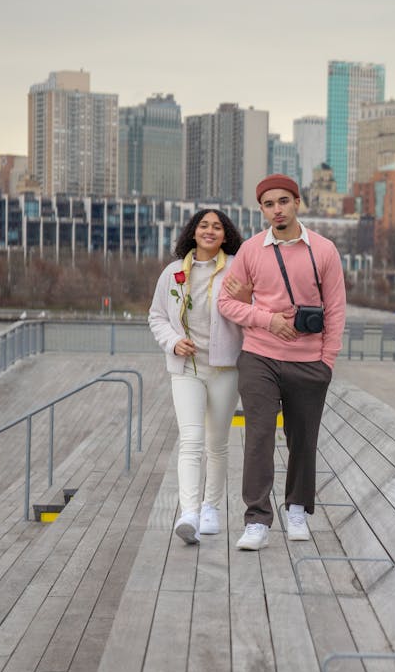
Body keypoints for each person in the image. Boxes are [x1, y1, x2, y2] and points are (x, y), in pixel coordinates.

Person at [218, 174, 346, 550]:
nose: (277, 210)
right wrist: (267, 319)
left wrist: (327, 362)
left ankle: (297, 509)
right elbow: (227, 303)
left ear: (297, 203)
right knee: (258, 438)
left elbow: (336, 309)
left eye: (283, 202)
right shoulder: (251, 251)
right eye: (268, 204)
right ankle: (256, 519)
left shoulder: (323, 250)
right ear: (261, 209)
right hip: (259, 357)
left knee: (302, 440)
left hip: (310, 362)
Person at [148, 209, 250, 544]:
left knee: (217, 444)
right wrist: (173, 341)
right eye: (203, 225)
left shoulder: (237, 268)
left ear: (226, 235)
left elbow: (252, 307)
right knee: (190, 440)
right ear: (193, 232)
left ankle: (211, 509)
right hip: (186, 369)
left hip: (225, 369)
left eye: (217, 227)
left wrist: (245, 295)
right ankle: (189, 512)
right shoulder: (173, 273)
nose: (209, 231)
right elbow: (157, 316)